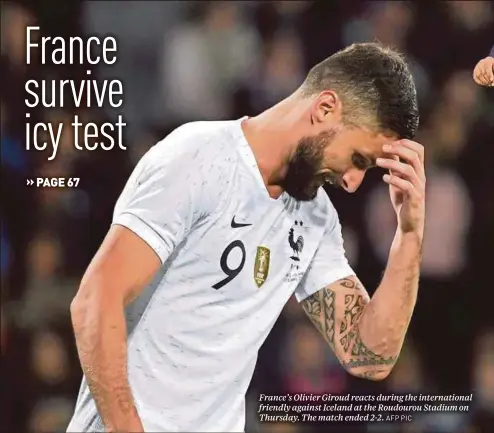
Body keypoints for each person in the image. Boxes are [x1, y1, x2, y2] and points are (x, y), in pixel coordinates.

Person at [67, 42, 425, 432]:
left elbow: (368, 356)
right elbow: (95, 301)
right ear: (324, 109)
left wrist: (408, 234)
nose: (354, 183)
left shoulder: (316, 217)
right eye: (358, 160)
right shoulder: (198, 157)